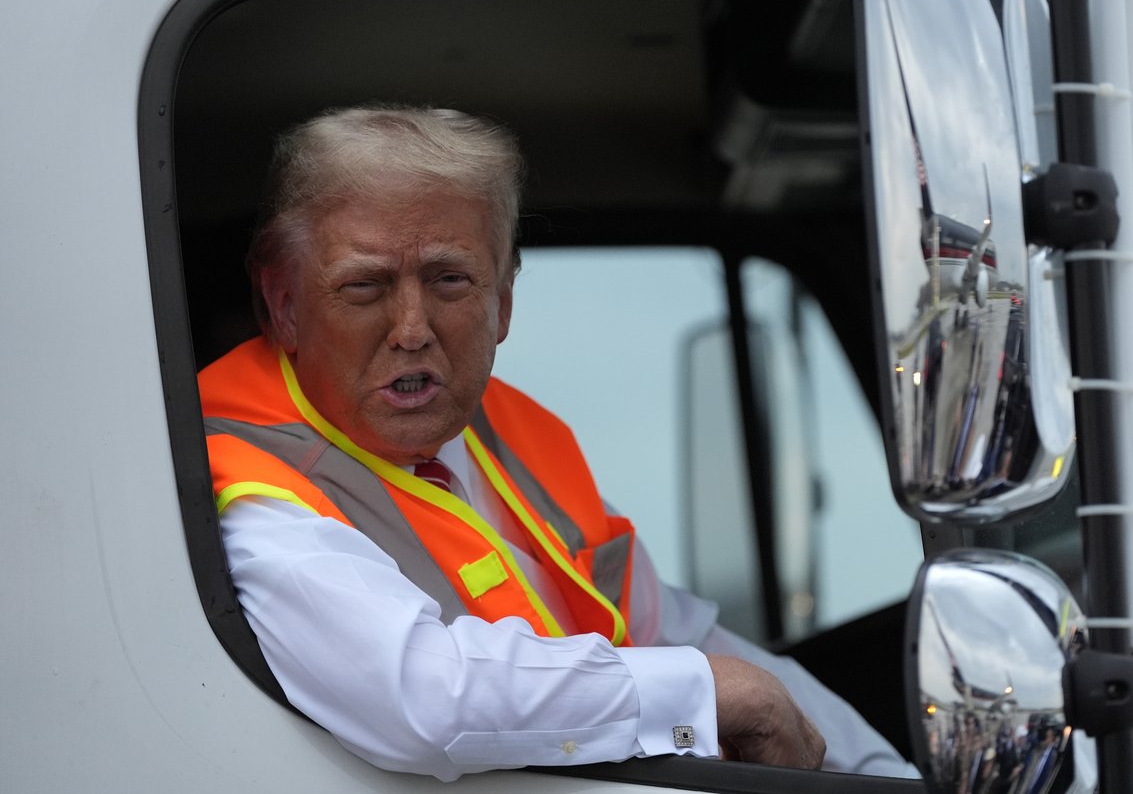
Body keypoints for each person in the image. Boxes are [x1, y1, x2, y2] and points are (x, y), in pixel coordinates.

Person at [201, 105, 912, 782]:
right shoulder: (244, 478)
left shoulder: (504, 433)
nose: (412, 327)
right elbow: (424, 699)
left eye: (449, 279)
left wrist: (886, 777)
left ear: (503, 301)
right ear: (284, 305)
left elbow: (678, 633)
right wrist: (698, 696)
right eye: (365, 286)